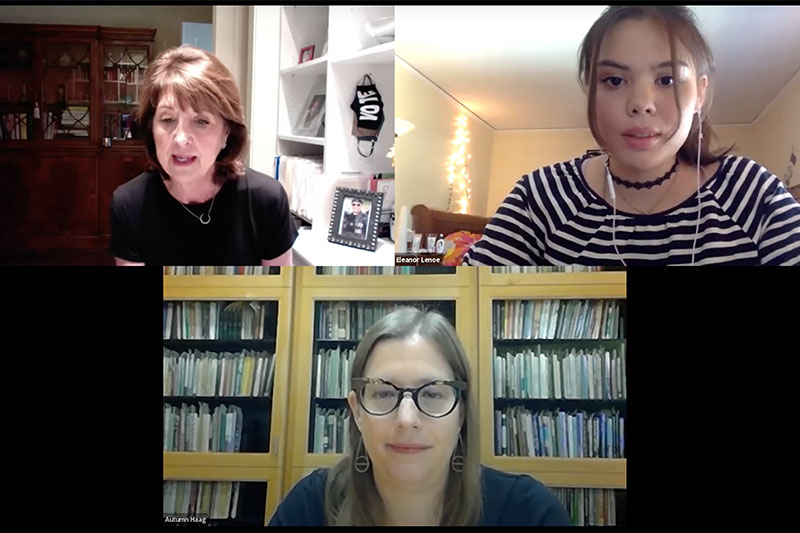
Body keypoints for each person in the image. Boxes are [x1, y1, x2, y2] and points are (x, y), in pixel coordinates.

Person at [464, 6, 800, 266]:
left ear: (699, 94)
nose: (641, 104)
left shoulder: (753, 194)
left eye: (667, 80)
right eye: (614, 80)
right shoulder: (538, 200)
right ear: (590, 90)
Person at [268, 307, 571, 526]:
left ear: (461, 412)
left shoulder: (530, 513)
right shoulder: (309, 506)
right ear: (357, 411)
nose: (406, 418)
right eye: (384, 393)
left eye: (432, 394)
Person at [110, 45, 297, 266]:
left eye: (201, 122)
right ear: (151, 128)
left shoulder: (266, 200)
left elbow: (277, 295)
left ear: (226, 132)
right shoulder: (129, 204)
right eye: (167, 120)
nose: (180, 139)